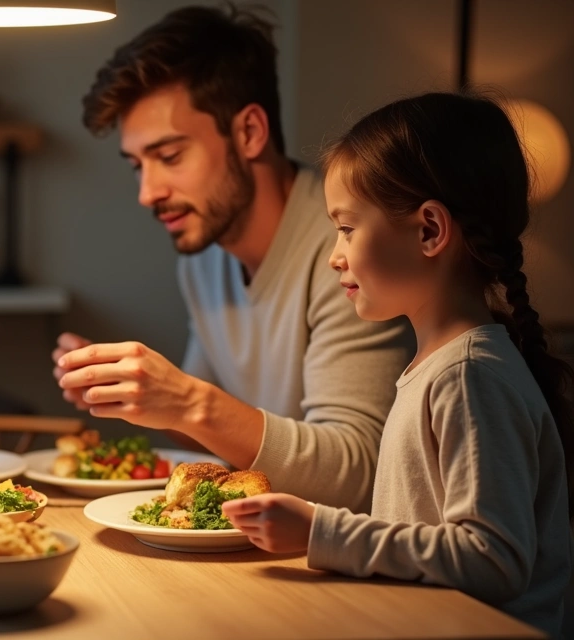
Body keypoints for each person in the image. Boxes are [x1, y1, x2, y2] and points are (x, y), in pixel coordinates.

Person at [221, 92, 573, 637]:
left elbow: (493, 560)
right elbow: (419, 535)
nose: (336, 255)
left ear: (430, 230)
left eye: (347, 228)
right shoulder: (437, 368)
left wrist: (322, 531)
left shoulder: (469, 377)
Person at [52, 4, 414, 510]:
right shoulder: (204, 257)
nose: (148, 192)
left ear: (249, 132)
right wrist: (132, 394)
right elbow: (217, 440)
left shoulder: (345, 250)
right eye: (137, 165)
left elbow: (358, 474)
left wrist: (186, 401)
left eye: (170, 156)